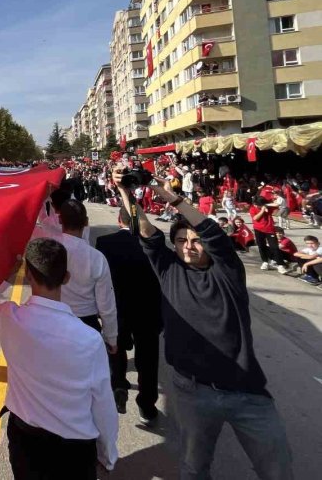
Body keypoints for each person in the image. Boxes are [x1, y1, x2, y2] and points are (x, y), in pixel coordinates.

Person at [115, 168, 293, 480]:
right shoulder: (168, 270)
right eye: (181, 240)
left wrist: (172, 198)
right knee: (194, 467)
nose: (188, 246)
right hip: (192, 390)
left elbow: (212, 232)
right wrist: (126, 192)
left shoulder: (227, 272)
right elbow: (144, 230)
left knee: (277, 469)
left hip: (247, 392)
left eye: (195, 241)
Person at [0, 237, 118, 478]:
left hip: (26, 442)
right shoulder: (89, 339)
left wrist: (6, 276)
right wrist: (107, 454)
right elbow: (103, 404)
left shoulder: (9, 319)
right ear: (66, 277)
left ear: (28, 276)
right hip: (73, 450)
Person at [95, 209, 162, 425]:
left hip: (118, 308)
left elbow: (102, 280)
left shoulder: (105, 243)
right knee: (148, 361)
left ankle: (119, 387)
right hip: (148, 310)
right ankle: (147, 405)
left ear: (119, 220)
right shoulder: (154, 243)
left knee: (116, 350)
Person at [55, 201, 118, 354]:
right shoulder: (96, 257)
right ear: (86, 222)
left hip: (56, 320)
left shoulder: (51, 250)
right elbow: (106, 304)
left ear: (59, 220)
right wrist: (111, 338)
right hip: (87, 324)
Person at [249, 197, 287, 273]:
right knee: (261, 246)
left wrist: (266, 205)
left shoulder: (268, 207)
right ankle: (265, 262)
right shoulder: (253, 208)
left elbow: (277, 204)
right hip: (258, 229)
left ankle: (280, 265)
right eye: (257, 205)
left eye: (259, 205)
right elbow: (256, 218)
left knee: (274, 247)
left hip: (269, 229)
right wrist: (262, 210)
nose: (257, 206)